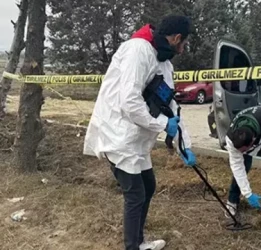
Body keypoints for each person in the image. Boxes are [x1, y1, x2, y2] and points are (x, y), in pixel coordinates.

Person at [83, 15, 196, 250]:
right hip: (118, 133)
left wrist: (184, 143)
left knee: (148, 186)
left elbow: (170, 105)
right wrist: (162, 126)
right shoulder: (137, 51)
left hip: (136, 137)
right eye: (184, 43)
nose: (184, 49)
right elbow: (130, 102)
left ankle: (138, 242)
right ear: (176, 38)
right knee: (135, 194)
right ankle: (132, 247)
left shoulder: (165, 63)